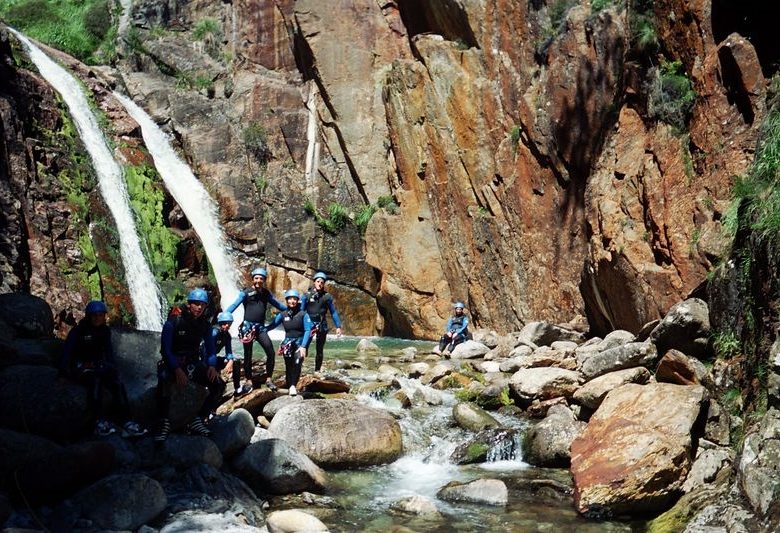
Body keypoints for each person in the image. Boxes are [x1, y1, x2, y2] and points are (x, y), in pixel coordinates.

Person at [60, 300, 147, 438]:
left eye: (100, 315)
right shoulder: (79, 331)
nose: (97, 318)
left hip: (98, 365)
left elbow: (108, 352)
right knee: (95, 383)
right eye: (94, 315)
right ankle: (98, 422)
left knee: (116, 383)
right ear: (88, 316)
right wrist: (65, 372)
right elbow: (67, 352)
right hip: (81, 366)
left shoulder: (104, 331)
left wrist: (112, 368)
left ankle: (127, 422)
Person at [154, 288, 226, 443]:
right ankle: (163, 422)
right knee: (165, 380)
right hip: (172, 362)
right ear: (189, 304)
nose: (199, 308)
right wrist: (176, 369)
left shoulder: (204, 325)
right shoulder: (174, 321)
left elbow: (211, 348)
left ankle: (198, 419)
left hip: (192, 363)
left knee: (218, 384)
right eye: (196, 304)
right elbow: (165, 349)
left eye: (202, 305)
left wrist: (212, 366)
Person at [226, 267, 286, 392]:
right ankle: (249, 380)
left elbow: (277, 304)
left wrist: (291, 309)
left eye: (261, 278)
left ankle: (269, 379)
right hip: (247, 328)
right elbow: (234, 305)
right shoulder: (245, 293)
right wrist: (225, 315)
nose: (258, 280)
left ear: (264, 280)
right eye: (256, 278)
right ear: (253, 279)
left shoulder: (265, 293)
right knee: (248, 355)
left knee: (270, 352)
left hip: (260, 328)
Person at [266, 289, 313, 396]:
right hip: (287, 343)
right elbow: (272, 326)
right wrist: (261, 330)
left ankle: (293, 386)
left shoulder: (303, 314)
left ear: (298, 300)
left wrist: (303, 346)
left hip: (299, 343)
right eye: (290, 299)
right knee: (288, 365)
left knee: (297, 362)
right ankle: (289, 385)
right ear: (287, 300)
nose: (292, 301)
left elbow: (308, 330)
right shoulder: (282, 314)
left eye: (294, 299)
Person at [300, 271, 342, 373]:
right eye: (318, 281)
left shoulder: (327, 297)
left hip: (321, 325)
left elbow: (333, 312)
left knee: (319, 350)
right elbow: (301, 311)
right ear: (314, 282)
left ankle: (317, 371)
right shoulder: (307, 295)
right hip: (309, 325)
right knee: (303, 346)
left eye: (322, 282)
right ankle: (298, 368)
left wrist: (338, 326)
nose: (320, 283)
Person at [207, 311, 246, 399]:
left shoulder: (227, 336)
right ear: (220, 323)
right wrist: (211, 365)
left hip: (214, 359)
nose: (227, 325)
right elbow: (204, 351)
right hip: (206, 359)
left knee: (236, 361)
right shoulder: (214, 333)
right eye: (224, 323)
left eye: (229, 323)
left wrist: (230, 360)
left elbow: (229, 352)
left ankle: (237, 389)